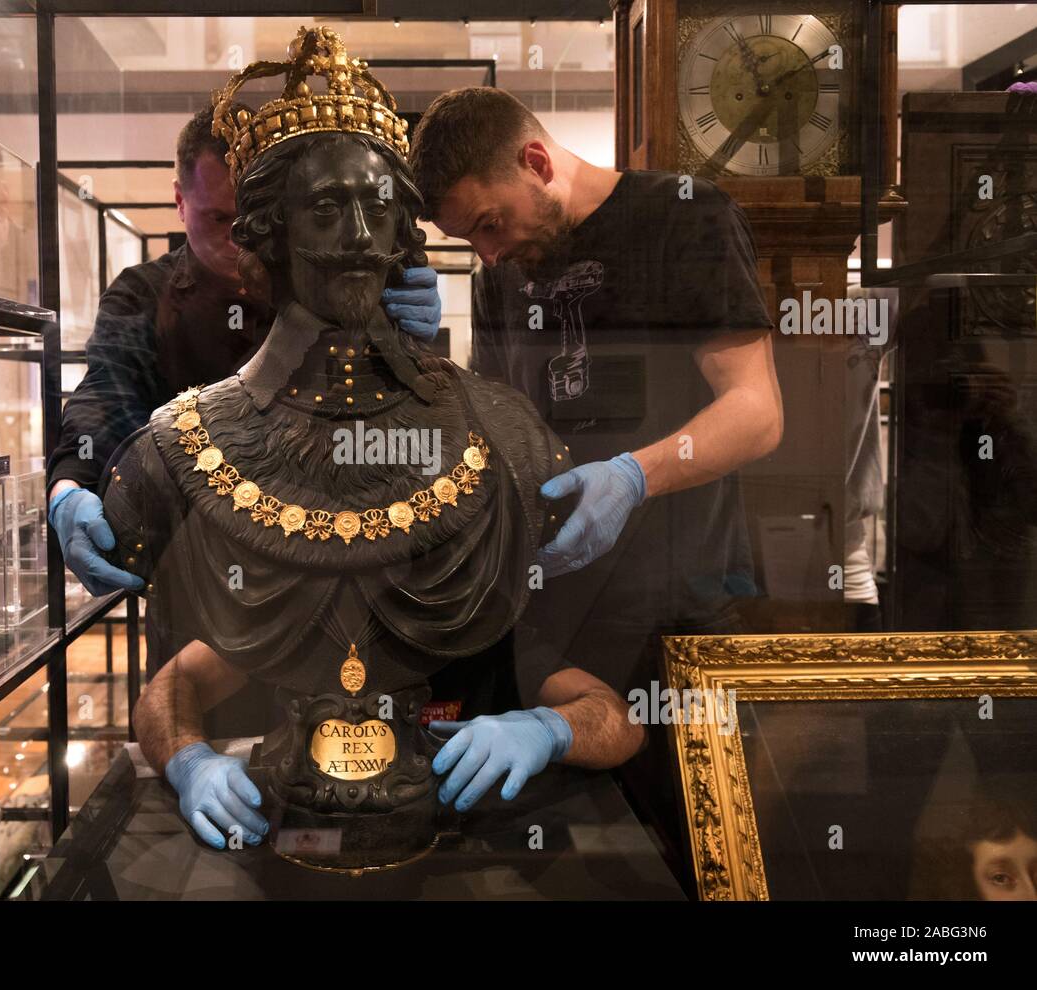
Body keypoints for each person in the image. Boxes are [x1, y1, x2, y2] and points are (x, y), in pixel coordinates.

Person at [103, 28, 645, 858]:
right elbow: (174, 684)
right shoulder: (180, 444)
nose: (358, 235)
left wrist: (544, 729)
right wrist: (187, 762)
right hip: (283, 837)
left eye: (378, 208)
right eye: (325, 209)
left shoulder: (502, 435)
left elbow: (612, 719)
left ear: (404, 232)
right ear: (269, 231)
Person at [408, 86, 784, 870]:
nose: (487, 254)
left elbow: (757, 412)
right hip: (566, 618)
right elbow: (500, 431)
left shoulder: (686, 217)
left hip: (687, 609)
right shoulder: (499, 274)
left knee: (704, 853)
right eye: (468, 241)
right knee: (587, 864)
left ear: (537, 162)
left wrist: (633, 476)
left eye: (489, 225)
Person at [45, 105, 444, 611]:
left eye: (256, 219)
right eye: (221, 219)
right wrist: (69, 487)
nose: (243, 240)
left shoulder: (321, 278)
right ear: (179, 202)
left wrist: (396, 322)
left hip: (343, 555)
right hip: (200, 576)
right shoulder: (145, 295)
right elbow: (107, 395)